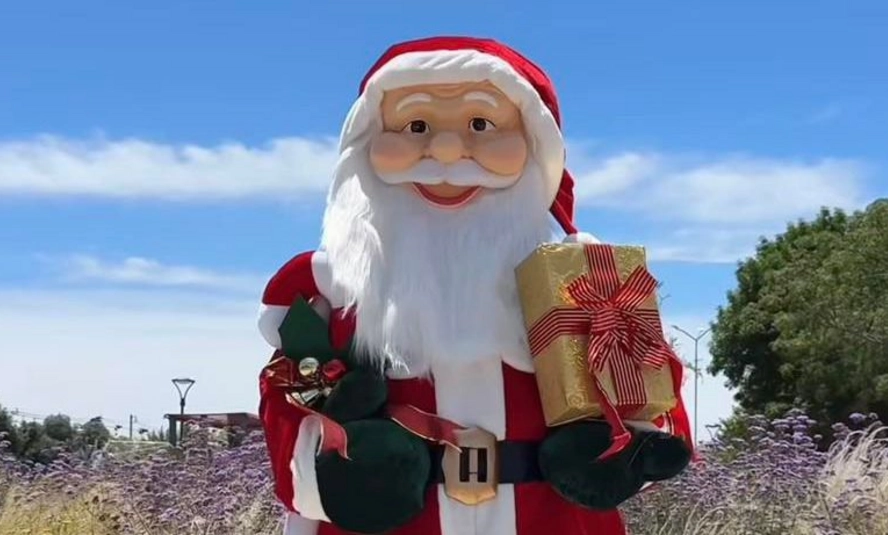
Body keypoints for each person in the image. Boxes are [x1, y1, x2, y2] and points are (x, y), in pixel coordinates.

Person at [257, 36, 692, 535]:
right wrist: (331, 469)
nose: (446, 150)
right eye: (416, 126)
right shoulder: (334, 287)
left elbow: (655, 401)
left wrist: (623, 453)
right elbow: (285, 402)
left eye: (481, 124)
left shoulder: (586, 280)